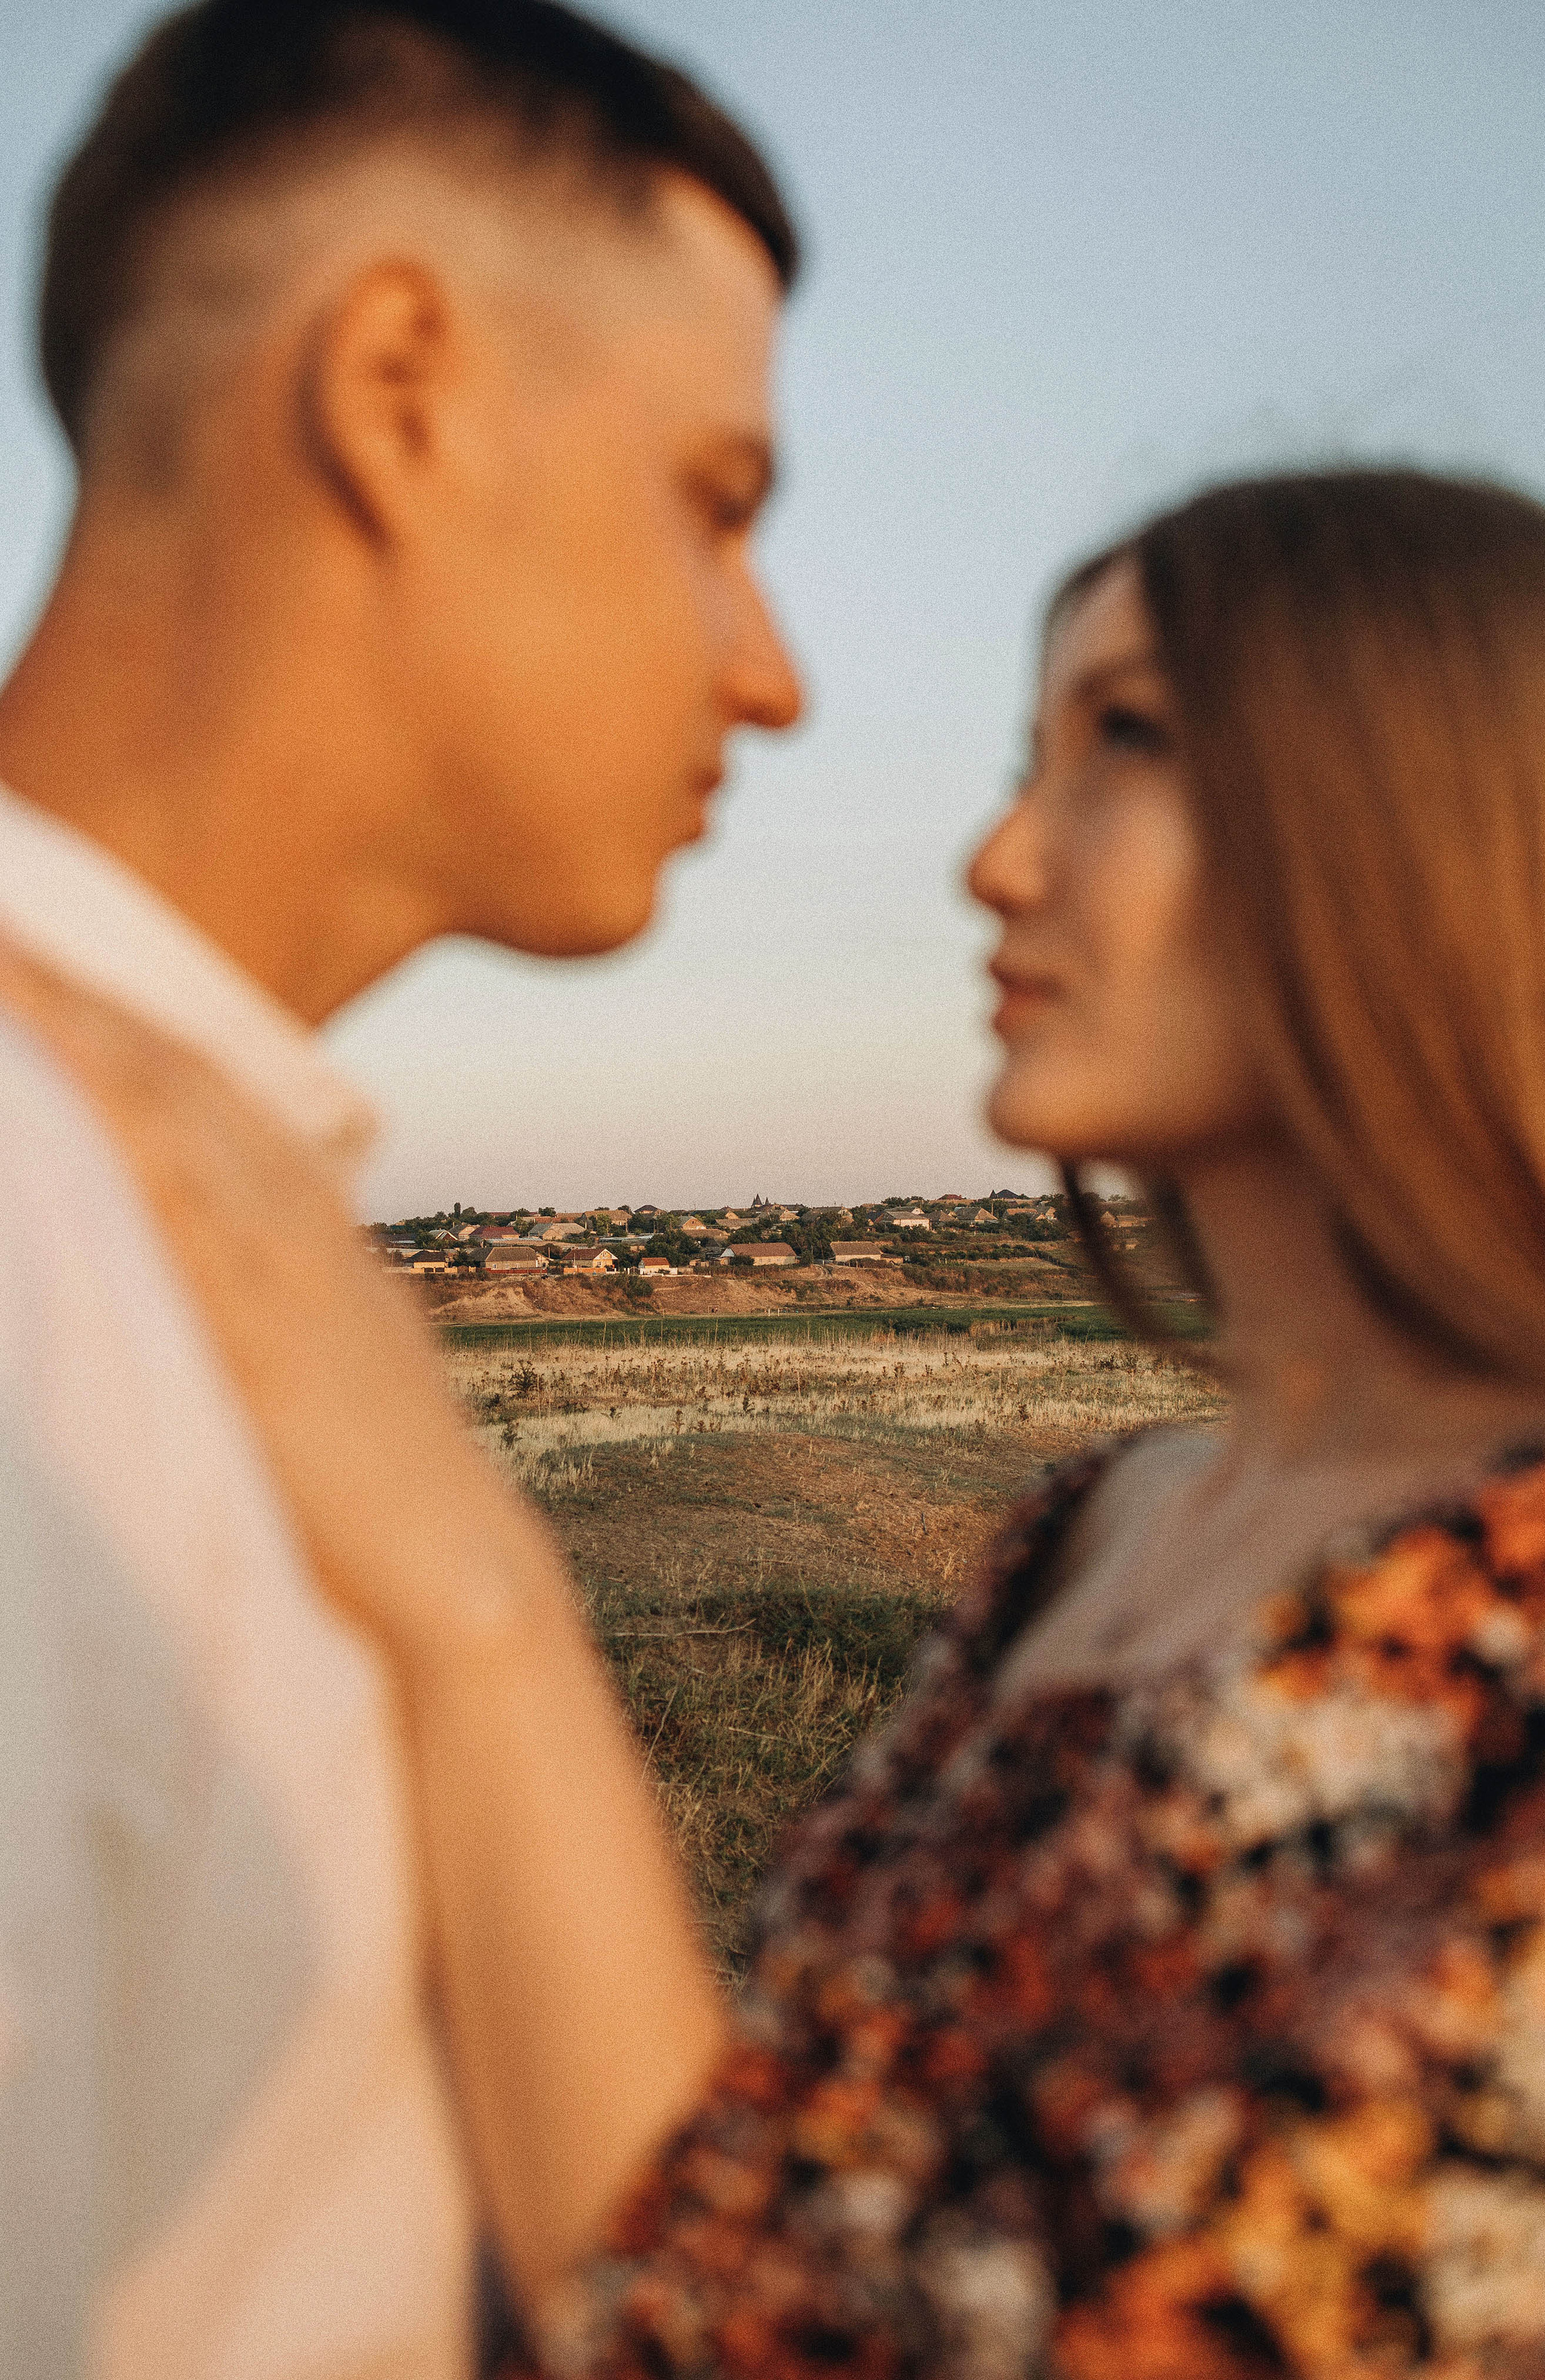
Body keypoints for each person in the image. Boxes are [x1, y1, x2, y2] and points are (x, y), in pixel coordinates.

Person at [14, 463, 1545, 2380]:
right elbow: (733, 2245)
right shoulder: (1092, 1535)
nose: (1001, 858)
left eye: (1130, 742)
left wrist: (471, 1582)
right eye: (1032, 754)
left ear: (1429, 827)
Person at [0, 2, 802, 2373]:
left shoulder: (186, 1209)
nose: (772, 677)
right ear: (400, 391)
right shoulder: (37, 1237)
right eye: (719, 501)